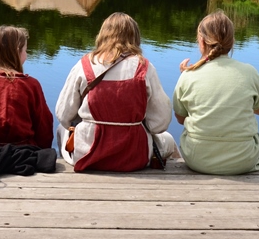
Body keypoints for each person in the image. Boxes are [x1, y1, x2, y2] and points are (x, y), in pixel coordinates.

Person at [55, 12, 177, 172]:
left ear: (103, 35)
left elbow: (64, 115)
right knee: (169, 140)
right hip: (134, 156)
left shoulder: (84, 65)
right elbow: (160, 122)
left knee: (61, 129)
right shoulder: (144, 68)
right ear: (135, 37)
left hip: (88, 155)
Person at [172, 10, 259, 175]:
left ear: (201, 41)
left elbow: (180, 118)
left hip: (198, 159)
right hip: (243, 160)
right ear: (232, 42)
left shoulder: (188, 75)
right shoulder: (249, 72)